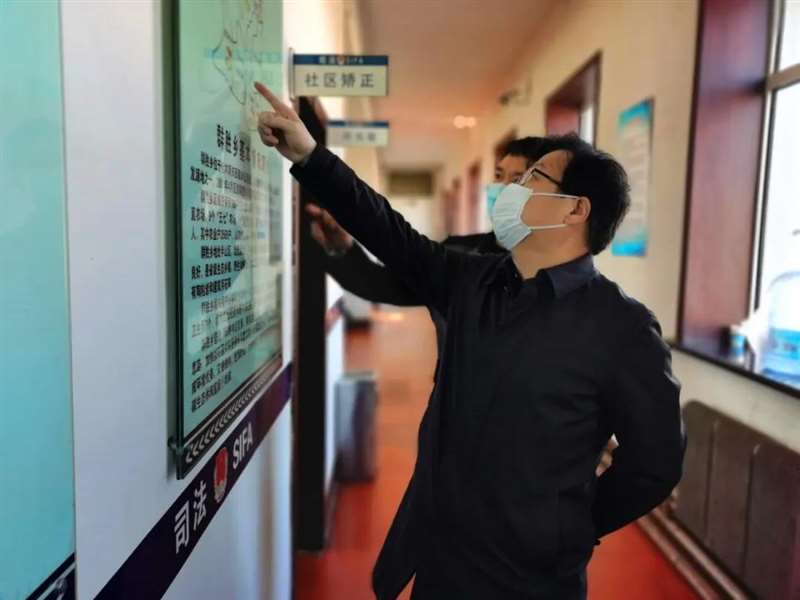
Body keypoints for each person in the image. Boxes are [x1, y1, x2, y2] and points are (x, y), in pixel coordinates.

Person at [254, 83, 685, 600]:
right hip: (442, 558)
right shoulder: (472, 281)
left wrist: (571, 522)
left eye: (531, 178)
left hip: (532, 580)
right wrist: (311, 157)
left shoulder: (622, 329)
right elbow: (393, 234)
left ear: (575, 210)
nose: (511, 190)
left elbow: (655, 464)